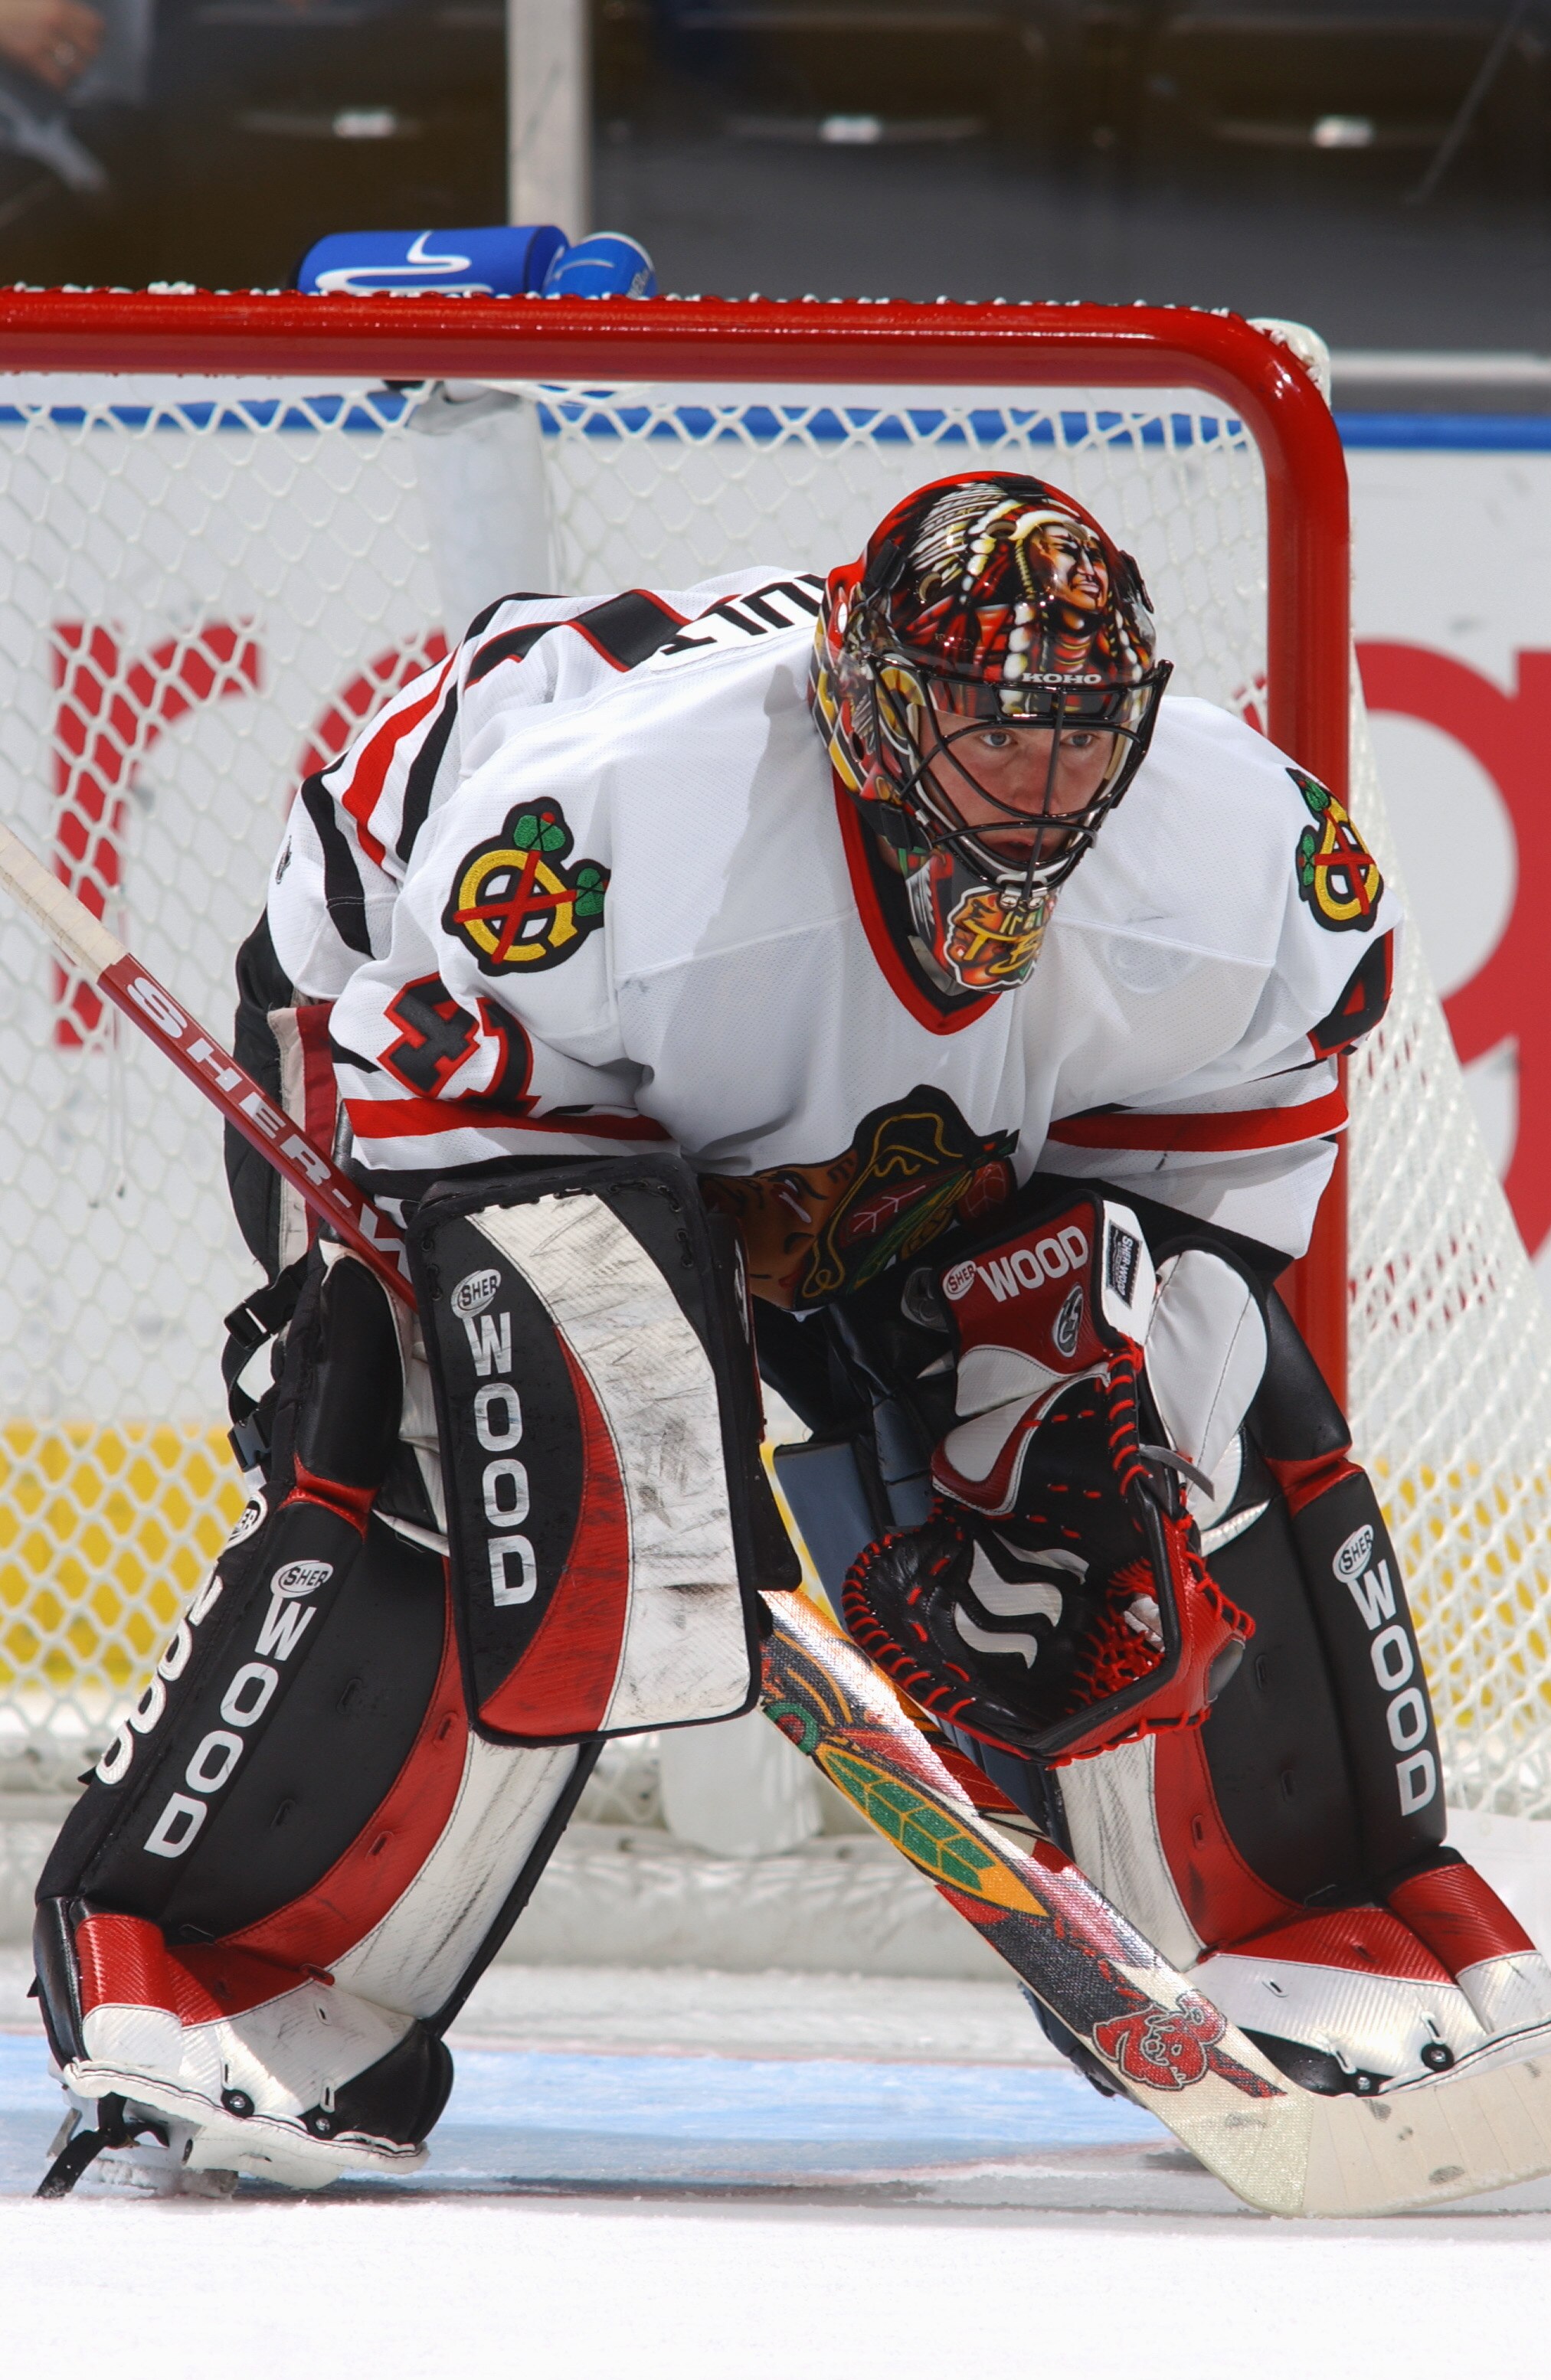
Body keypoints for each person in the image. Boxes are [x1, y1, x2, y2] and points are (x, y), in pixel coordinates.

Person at [31, 471, 1551, 2192]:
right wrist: (646, 1431)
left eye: (1080, 736)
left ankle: (1302, 1928)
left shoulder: (1244, 862)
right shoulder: (608, 839)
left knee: (1132, 1461)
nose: (1048, 789)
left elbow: (1218, 1167)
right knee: (490, 1463)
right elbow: (431, 1086)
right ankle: (233, 1962)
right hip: (449, 1036)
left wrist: (1079, 1447)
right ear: (877, 714)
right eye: (995, 736)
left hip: (878, 1132)